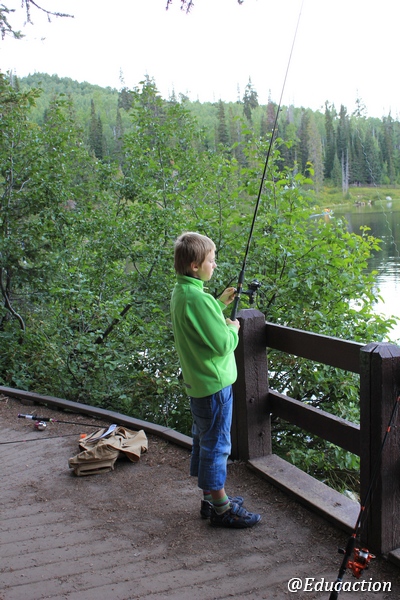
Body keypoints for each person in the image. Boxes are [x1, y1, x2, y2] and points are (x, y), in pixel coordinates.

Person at [170, 231, 261, 529]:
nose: (215, 265)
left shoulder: (182, 293)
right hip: (215, 386)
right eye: (211, 260)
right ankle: (222, 509)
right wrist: (233, 328)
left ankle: (210, 500)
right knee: (217, 445)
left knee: (204, 440)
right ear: (195, 265)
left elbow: (199, 322)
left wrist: (219, 303)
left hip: (198, 385)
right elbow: (222, 344)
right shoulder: (199, 300)